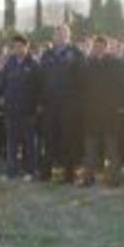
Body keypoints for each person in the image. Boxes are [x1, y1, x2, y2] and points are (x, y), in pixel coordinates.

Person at [39, 24, 85, 182]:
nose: (59, 36)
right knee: (49, 138)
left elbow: (82, 80)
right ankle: (46, 173)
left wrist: (78, 103)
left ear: (68, 36)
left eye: (63, 33)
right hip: (51, 104)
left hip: (69, 105)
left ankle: (69, 174)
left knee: (68, 139)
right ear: (53, 36)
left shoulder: (76, 53)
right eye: (57, 33)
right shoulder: (47, 54)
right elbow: (41, 78)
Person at [82, 36, 124, 187]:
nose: (98, 49)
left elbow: (121, 86)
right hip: (92, 113)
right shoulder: (89, 64)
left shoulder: (115, 63)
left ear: (106, 47)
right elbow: (83, 87)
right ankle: (88, 178)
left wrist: (114, 103)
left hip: (109, 113)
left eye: (101, 46)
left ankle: (115, 179)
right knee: (90, 148)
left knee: (111, 148)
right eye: (96, 46)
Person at [1, 34, 41, 180]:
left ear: (26, 46)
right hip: (12, 110)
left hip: (28, 111)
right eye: (15, 46)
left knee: (29, 143)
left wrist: (36, 105)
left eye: (20, 46)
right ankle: (11, 171)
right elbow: (3, 82)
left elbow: (39, 87)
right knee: (11, 143)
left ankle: (30, 171)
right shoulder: (10, 63)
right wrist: (2, 97)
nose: (17, 49)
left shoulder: (33, 64)